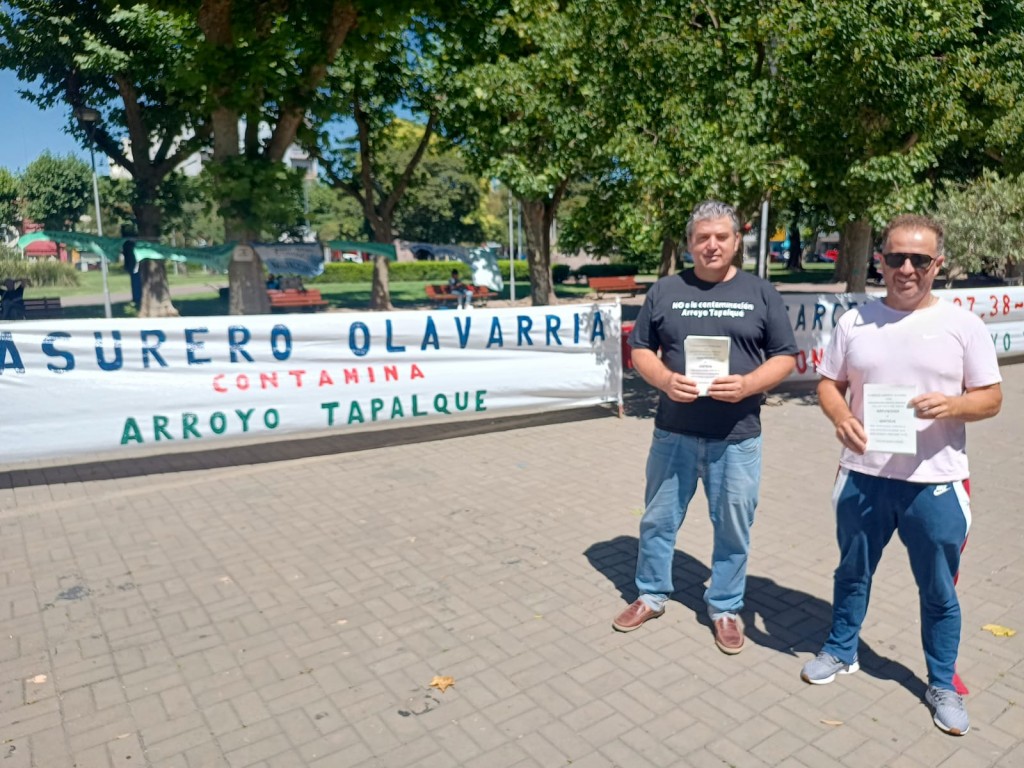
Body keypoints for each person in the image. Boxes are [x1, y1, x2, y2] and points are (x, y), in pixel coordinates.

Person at [801, 214, 1002, 737]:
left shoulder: (963, 324)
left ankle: (940, 683)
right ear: (879, 261)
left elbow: (993, 398)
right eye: (895, 258)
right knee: (851, 572)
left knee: (938, 589)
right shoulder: (855, 322)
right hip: (863, 477)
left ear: (938, 264)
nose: (906, 268)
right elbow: (829, 383)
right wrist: (841, 417)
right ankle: (842, 649)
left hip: (935, 482)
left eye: (919, 259)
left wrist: (955, 404)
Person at [611, 200, 798, 654]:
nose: (711, 245)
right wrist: (664, 380)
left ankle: (726, 606)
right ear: (690, 243)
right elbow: (641, 351)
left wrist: (750, 383)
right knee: (658, 519)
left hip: (737, 436)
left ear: (736, 242)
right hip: (673, 431)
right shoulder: (665, 290)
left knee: (734, 526)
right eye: (702, 238)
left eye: (721, 237)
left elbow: (786, 357)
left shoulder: (760, 292)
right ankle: (651, 594)